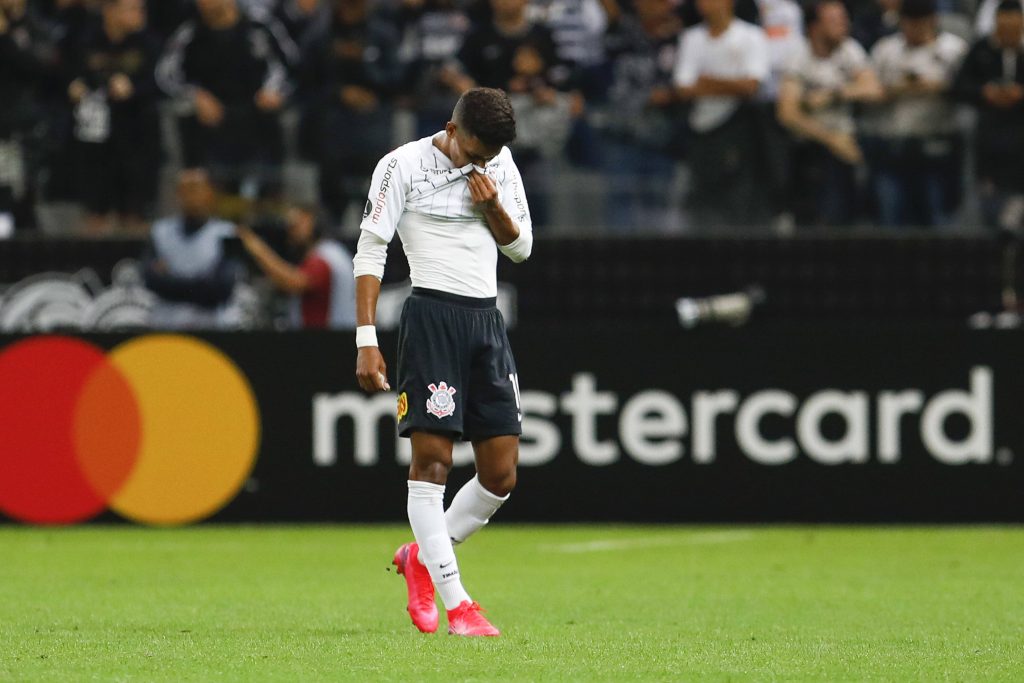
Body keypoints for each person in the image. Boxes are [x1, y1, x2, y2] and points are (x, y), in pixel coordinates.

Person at [352, 87, 533, 637]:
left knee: (500, 475)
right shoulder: (401, 164)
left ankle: (420, 558)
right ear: (452, 128)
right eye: (473, 151)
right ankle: (459, 604)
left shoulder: (499, 164)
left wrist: (493, 203)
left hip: (485, 322)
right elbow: (371, 248)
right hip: (431, 318)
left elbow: (520, 248)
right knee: (431, 463)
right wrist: (365, 338)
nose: (480, 163)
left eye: (489, 156)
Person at [156, 0, 292, 200]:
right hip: (211, 121)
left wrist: (273, 91)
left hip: (256, 117)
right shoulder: (190, 32)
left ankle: (266, 202)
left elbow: (289, 65)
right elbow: (166, 74)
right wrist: (196, 95)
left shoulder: (259, 25)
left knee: (266, 179)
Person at [776, 0, 883, 226]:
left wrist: (831, 95)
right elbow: (788, 113)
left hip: (847, 146)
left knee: (846, 219)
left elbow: (873, 89)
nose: (844, 25)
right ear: (814, 27)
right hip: (811, 149)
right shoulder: (799, 57)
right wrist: (831, 140)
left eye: (844, 19)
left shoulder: (849, 50)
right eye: (834, 21)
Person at [866, 0, 967, 227]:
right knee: (891, 219)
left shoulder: (953, 49)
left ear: (932, 21)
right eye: (909, 24)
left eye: (920, 24)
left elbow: (966, 90)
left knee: (937, 217)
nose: (914, 30)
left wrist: (934, 86)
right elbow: (869, 90)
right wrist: (901, 88)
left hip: (937, 142)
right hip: (893, 145)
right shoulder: (886, 49)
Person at [66, 0, 162, 236]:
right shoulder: (86, 41)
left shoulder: (151, 44)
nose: (140, 14)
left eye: (141, 8)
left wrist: (135, 88)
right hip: (95, 139)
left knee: (134, 212)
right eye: (132, 9)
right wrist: (74, 87)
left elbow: (164, 82)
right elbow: (65, 74)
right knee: (95, 212)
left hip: (137, 135)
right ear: (110, 11)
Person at [673, 0, 771, 228]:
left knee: (737, 197)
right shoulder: (692, 38)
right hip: (701, 131)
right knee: (703, 199)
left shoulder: (751, 36)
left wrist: (708, 82)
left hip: (740, 129)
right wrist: (731, 85)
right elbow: (683, 88)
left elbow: (751, 86)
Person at [953, 0, 1024, 230]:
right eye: (1003, 29)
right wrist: (985, 92)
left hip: (1021, 138)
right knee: (990, 206)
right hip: (989, 138)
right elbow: (959, 87)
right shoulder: (982, 49)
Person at [143, 168, 243, 329]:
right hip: (167, 327)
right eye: (184, 190)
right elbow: (151, 281)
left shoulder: (227, 233)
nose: (190, 196)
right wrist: (203, 281)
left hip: (213, 329)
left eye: (195, 188)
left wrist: (170, 279)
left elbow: (222, 288)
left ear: (209, 193)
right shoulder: (160, 232)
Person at [236, 203, 356, 328]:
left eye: (299, 223)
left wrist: (257, 248)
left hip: (329, 338)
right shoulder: (333, 252)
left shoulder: (325, 257)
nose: (292, 229)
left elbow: (293, 282)